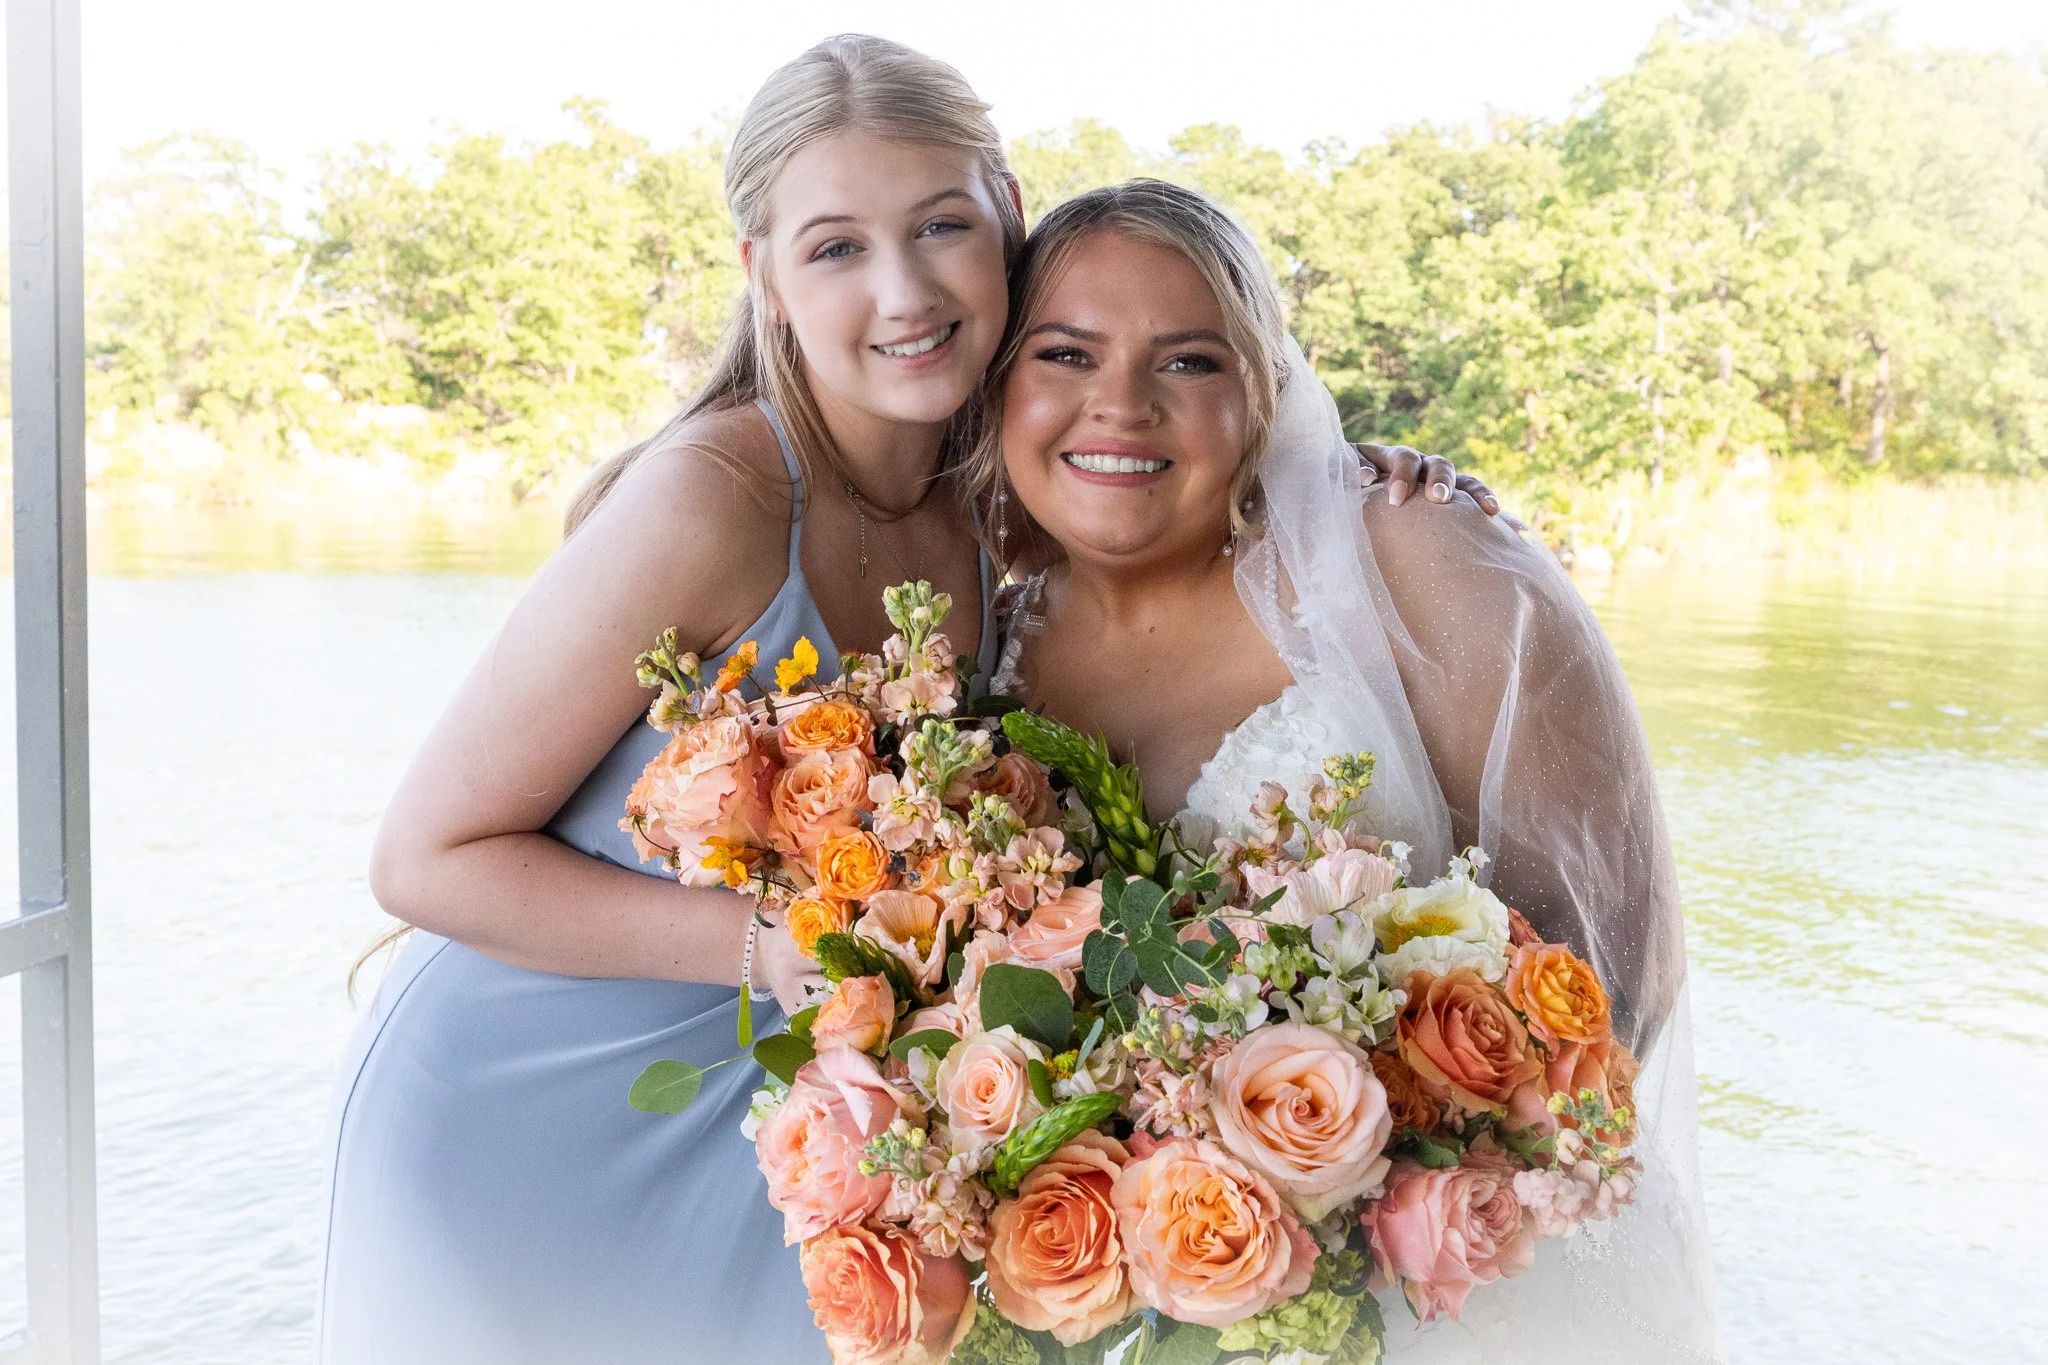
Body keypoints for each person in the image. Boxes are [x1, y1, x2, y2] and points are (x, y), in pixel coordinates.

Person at [320, 38, 1488, 1364]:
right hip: (533, 1119)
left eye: (940, 226)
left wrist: (1346, 482)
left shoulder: (989, 495)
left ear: (1007, 217)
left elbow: (1178, 456)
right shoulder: (712, 501)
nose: (904, 290)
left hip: (802, 1133)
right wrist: (787, 949)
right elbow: (423, 859)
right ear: (765, 274)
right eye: (837, 248)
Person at [977, 179, 1721, 1362]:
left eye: (1189, 362)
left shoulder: (1409, 557)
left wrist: (1357, 1193)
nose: (1119, 403)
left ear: (1264, 392)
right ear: (996, 385)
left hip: (1456, 1304)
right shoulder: (971, 657)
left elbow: (1617, 978)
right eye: (1064, 354)